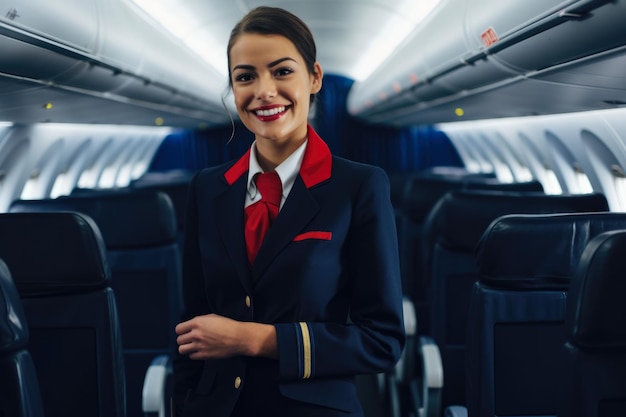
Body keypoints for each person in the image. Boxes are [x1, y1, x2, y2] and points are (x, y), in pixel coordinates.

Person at [173, 6, 405, 416]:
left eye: (282, 72)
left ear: (314, 77)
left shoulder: (359, 186)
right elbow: (192, 325)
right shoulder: (208, 188)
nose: (263, 91)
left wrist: (253, 339)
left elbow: (381, 341)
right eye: (245, 76)